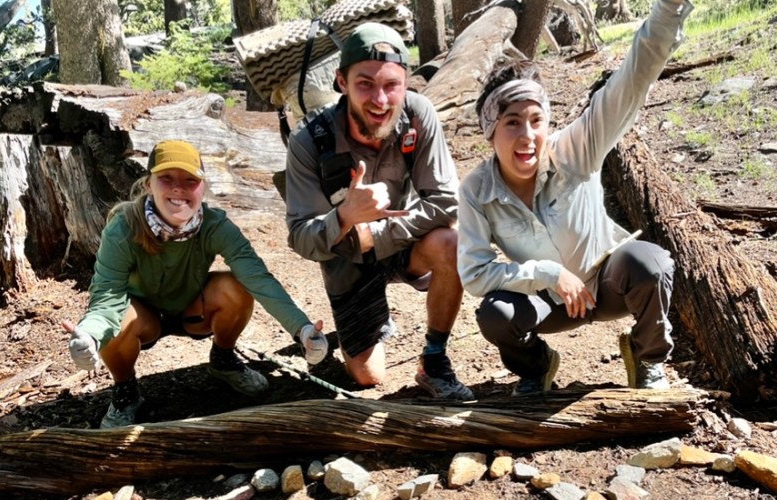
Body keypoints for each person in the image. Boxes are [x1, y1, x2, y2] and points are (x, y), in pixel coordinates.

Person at [457, 0, 693, 396]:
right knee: (496, 314)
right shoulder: (477, 190)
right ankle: (537, 366)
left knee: (651, 263)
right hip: (547, 302)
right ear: (490, 131)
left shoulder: (574, 151)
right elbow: (476, 274)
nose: (527, 136)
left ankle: (647, 358)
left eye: (536, 121)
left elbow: (631, 81)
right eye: (512, 123)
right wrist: (547, 274)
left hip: (607, 285)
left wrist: (668, 11)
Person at [63, 139, 328, 429]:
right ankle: (125, 391)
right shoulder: (123, 228)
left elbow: (257, 278)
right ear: (149, 184)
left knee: (235, 286)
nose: (178, 188)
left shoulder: (214, 225)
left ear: (202, 187)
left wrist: (301, 329)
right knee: (116, 319)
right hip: (143, 317)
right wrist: (90, 335)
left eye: (190, 180)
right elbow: (107, 295)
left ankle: (223, 359)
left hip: (193, 309)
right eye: (166, 178)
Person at [284, 22, 473, 401]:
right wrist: (345, 217)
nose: (381, 99)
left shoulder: (418, 117)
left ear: (406, 82)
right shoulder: (309, 141)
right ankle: (373, 320)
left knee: (450, 243)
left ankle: (434, 361)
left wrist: (378, 236)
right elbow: (300, 237)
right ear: (341, 82)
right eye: (365, 84)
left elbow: (448, 201)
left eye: (392, 85)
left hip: (402, 240)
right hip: (345, 258)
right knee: (368, 376)